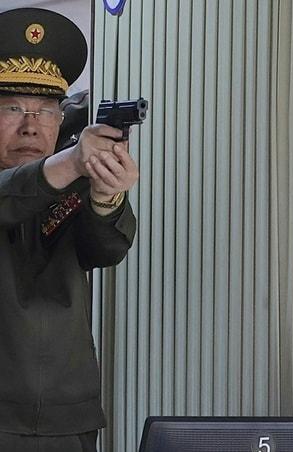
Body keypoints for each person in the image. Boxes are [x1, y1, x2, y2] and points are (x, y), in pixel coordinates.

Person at [0, 7, 140, 451]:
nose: (30, 125)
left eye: (46, 111)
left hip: (67, 414)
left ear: (62, 120)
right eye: (13, 108)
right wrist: (71, 162)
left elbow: (104, 250)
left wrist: (105, 194)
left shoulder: (72, 176)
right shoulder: (64, 169)